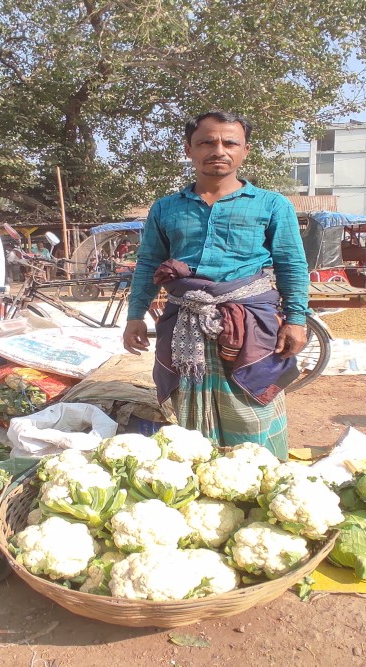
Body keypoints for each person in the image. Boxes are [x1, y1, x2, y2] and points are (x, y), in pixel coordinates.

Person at [122, 111, 307, 457]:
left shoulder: (272, 205)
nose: (218, 150)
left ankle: (259, 475)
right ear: (189, 149)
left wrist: (296, 319)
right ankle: (197, 474)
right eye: (206, 142)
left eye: (229, 142)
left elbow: (291, 264)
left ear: (245, 151)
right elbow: (148, 263)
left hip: (250, 323)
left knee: (251, 409)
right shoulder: (166, 208)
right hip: (183, 323)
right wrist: (136, 314)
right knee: (186, 416)